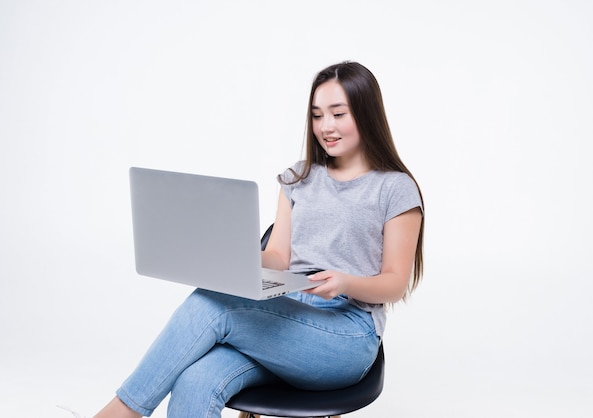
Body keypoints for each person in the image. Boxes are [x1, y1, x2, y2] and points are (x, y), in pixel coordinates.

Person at [83, 61, 424, 418]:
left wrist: (344, 282)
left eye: (338, 114)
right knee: (195, 380)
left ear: (366, 114)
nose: (326, 127)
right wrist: (233, 257)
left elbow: (395, 283)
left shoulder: (395, 188)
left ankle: (121, 412)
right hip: (279, 321)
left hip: (345, 337)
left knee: (213, 304)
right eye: (317, 115)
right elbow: (278, 256)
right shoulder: (299, 176)